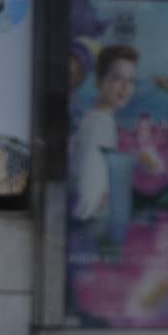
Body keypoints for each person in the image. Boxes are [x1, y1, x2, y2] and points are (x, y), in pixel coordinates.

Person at [70, 44, 138, 223]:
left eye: (131, 81)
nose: (125, 88)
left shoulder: (103, 122)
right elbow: (86, 194)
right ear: (100, 81)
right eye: (117, 78)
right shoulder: (95, 127)